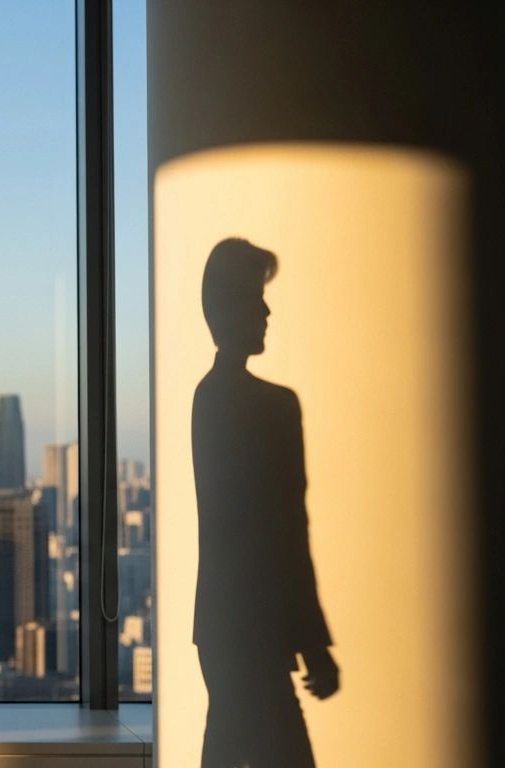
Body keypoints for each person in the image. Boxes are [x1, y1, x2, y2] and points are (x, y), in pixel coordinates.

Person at [191, 238, 339, 767]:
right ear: (230, 306)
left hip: (226, 628)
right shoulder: (269, 406)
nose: (267, 310)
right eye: (256, 296)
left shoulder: (209, 398)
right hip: (252, 630)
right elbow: (281, 534)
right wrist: (312, 642)